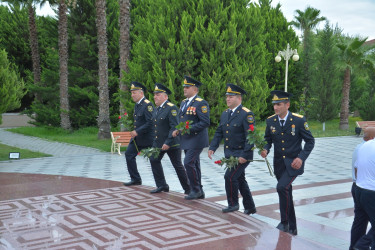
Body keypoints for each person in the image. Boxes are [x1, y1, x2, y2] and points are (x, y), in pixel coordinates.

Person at [260, 90, 315, 235]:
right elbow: (268, 139)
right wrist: (265, 149)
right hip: (279, 164)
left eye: (279, 104)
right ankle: (293, 227)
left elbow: (310, 141)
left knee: (281, 187)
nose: (276, 107)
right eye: (274, 105)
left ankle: (284, 222)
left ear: (287, 105)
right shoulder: (270, 121)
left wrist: (301, 158)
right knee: (286, 192)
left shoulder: (298, 120)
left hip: (293, 164)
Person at [208, 84, 256, 214]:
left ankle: (233, 204)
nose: (227, 99)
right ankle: (250, 206)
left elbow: (251, 137)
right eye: (227, 97)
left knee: (229, 177)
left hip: (241, 155)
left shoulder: (246, 114)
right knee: (240, 180)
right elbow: (219, 132)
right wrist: (212, 147)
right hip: (230, 154)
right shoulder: (225, 114)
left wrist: (245, 155)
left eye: (231, 96)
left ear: (239, 98)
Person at [172, 76, 210, 200]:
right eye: (184, 87)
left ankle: (195, 189)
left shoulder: (201, 103)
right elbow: (182, 119)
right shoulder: (184, 102)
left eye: (187, 87)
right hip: (187, 139)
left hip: (196, 139)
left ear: (195, 89)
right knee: (195, 164)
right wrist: (178, 129)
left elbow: (205, 122)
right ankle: (199, 190)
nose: (185, 89)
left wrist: (188, 129)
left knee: (188, 162)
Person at [148, 83, 190, 194]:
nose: (155, 97)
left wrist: (168, 142)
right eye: (154, 95)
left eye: (158, 94)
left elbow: (174, 127)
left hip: (172, 144)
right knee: (153, 160)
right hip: (158, 143)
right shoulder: (157, 109)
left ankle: (188, 188)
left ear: (165, 97)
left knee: (177, 166)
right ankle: (162, 185)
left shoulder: (171, 108)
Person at [124, 81, 154, 186]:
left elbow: (150, 122)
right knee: (128, 154)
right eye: (131, 93)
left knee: (154, 161)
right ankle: (135, 179)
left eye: (134, 93)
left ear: (141, 93)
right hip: (137, 138)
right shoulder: (137, 105)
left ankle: (160, 184)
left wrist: (137, 131)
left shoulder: (147, 105)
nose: (132, 95)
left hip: (147, 138)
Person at [351, 127, 375, 249]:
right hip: (371, 191)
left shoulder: (363, 146)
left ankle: (355, 246)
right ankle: (362, 245)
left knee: (359, 222)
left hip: (359, 187)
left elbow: (356, 169)